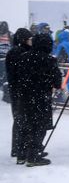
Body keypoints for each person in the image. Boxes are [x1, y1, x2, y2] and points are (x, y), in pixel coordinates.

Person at [20, 33, 60, 166]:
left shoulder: (24, 57)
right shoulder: (49, 60)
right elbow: (57, 83)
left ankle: (27, 152)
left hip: (26, 98)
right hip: (42, 98)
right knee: (40, 126)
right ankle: (33, 156)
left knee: (29, 125)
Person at [6, 28, 32, 163]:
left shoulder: (14, 51)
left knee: (18, 119)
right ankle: (21, 148)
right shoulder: (20, 53)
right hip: (20, 90)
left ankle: (18, 148)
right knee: (22, 119)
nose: (32, 41)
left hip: (16, 89)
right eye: (30, 39)